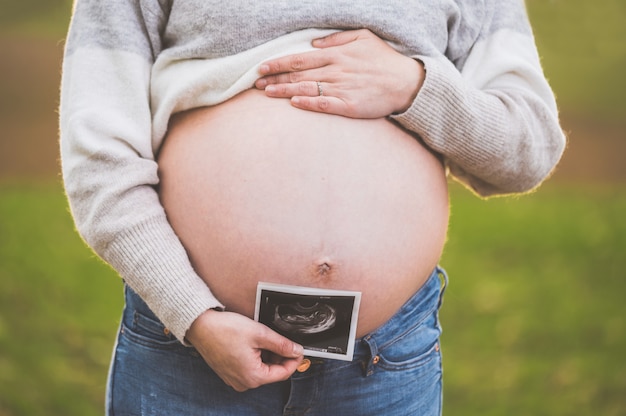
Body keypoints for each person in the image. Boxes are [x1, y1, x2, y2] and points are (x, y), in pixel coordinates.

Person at [59, 0, 566, 414]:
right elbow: (101, 158)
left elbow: (529, 147)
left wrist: (415, 87)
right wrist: (193, 315)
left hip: (383, 363)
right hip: (190, 346)